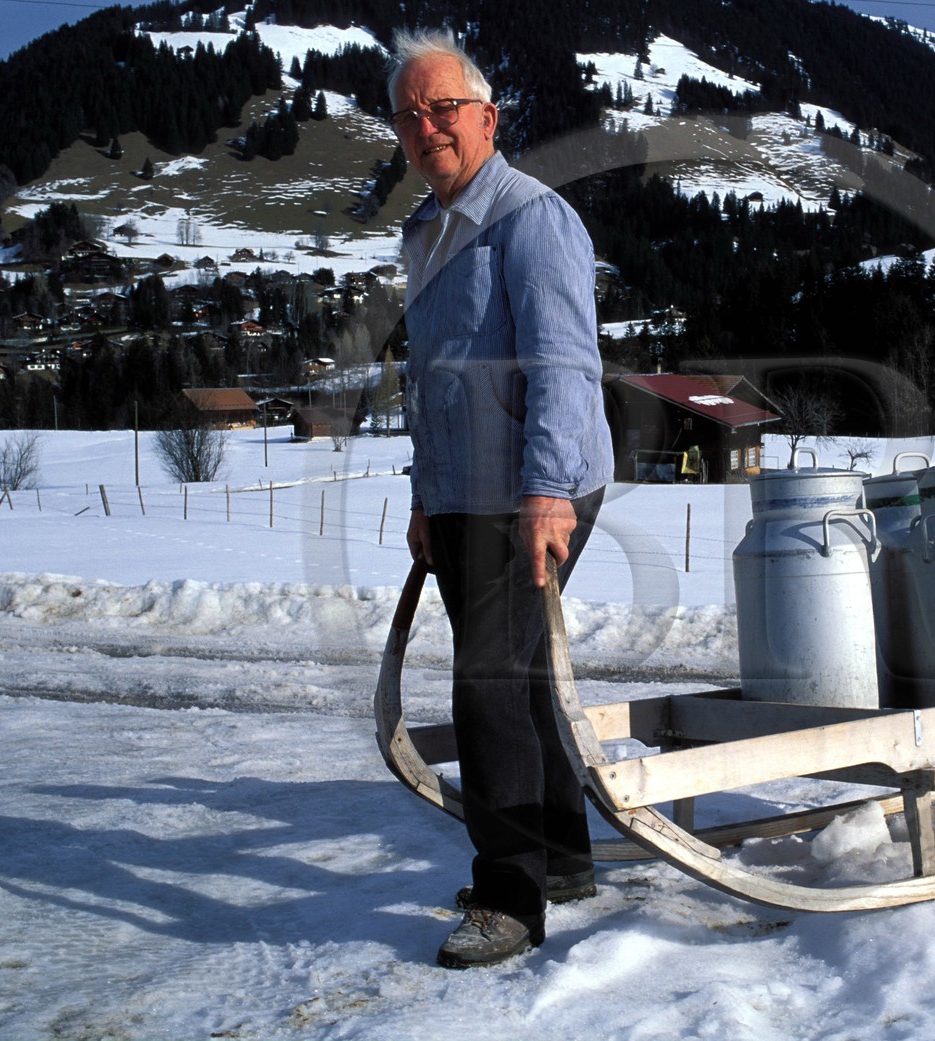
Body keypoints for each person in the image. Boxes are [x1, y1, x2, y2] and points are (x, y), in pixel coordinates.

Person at [388, 28, 614, 969]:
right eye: (410, 115)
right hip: (465, 499)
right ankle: (560, 857)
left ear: (487, 115)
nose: (428, 126)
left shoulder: (532, 218)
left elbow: (564, 364)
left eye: (444, 108)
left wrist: (548, 494)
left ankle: (510, 898)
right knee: (515, 676)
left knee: (484, 682)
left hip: (538, 491)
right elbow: (433, 381)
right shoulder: (426, 231)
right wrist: (426, 497)